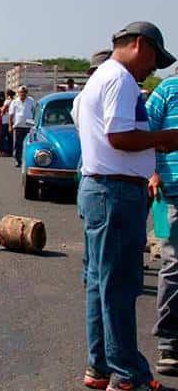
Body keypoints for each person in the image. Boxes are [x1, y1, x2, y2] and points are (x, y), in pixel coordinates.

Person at [75, 21, 178, 391]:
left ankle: (101, 367)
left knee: (101, 284)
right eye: (155, 58)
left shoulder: (104, 77)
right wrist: (165, 139)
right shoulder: (119, 79)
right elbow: (119, 137)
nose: (155, 67)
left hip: (104, 190)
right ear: (139, 44)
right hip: (116, 193)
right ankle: (128, 375)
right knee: (119, 286)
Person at [146, 72, 178, 376]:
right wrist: (152, 174)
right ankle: (169, 341)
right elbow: (145, 137)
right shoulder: (167, 90)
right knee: (171, 262)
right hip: (166, 194)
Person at [9, 86, 36, 167]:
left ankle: (28, 161)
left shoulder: (31, 100)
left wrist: (34, 123)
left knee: (29, 144)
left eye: (24, 92)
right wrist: (10, 126)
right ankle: (18, 160)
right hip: (18, 126)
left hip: (29, 126)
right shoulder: (15, 101)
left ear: (26, 93)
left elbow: (35, 111)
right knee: (17, 144)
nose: (23, 94)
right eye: (21, 92)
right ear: (18, 93)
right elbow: (11, 115)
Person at [0, 90, 15, 154]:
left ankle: (5, 150)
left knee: (3, 136)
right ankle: (11, 149)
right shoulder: (14, 100)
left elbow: (3, 109)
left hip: (5, 120)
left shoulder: (7, 101)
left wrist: (1, 111)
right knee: (10, 136)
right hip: (12, 120)